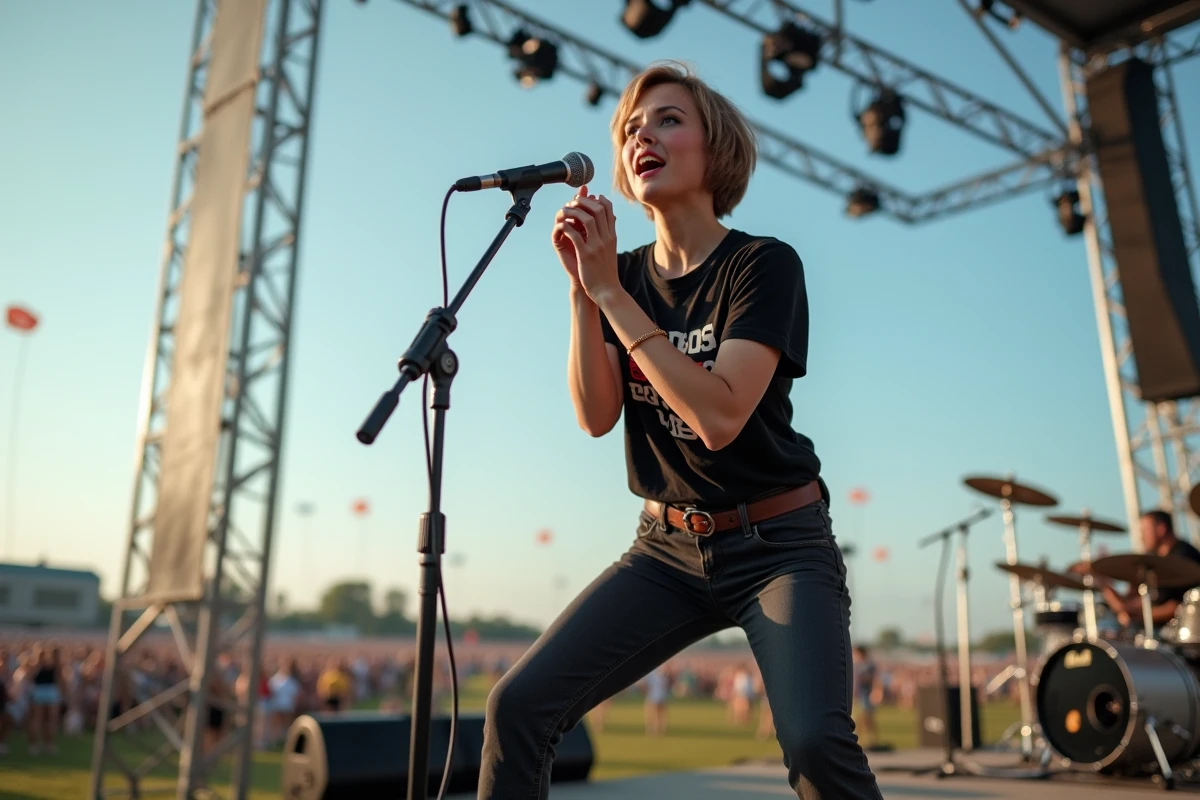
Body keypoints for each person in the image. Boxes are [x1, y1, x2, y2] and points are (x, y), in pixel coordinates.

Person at [477, 60, 882, 799]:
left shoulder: (761, 264)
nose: (643, 136)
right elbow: (597, 417)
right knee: (518, 707)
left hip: (777, 546)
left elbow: (720, 415)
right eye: (632, 127)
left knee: (815, 743)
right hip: (665, 549)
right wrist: (583, 294)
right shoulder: (619, 277)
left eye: (667, 119)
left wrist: (607, 293)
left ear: (714, 148)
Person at [1085, 510, 1200, 629]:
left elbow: (1176, 607)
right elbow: (1131, 603)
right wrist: (1104, 584)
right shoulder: (1156, 562)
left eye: (1145, 531)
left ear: (1161, 528)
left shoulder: (1182, 556)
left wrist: (1137, 615)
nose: (1142, 537)